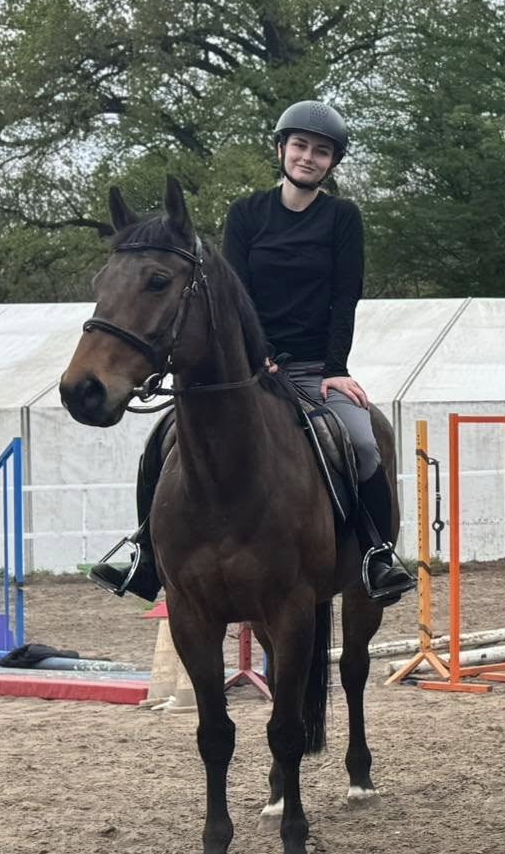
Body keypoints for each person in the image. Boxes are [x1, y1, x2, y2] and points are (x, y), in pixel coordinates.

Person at [90, 101, 414, 603]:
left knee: (364, 442)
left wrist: (335, 369)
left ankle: (374, 554)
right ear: (282, 149)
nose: (309, 157)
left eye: (321, 152)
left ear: (332, 163)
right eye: (301, 146)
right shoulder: (246, 214)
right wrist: (253, 353)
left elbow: (344, 297)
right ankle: (146, 555)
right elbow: (233, 293)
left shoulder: (342, 218)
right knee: (160, 442)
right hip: (250, 365)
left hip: (310, 369)